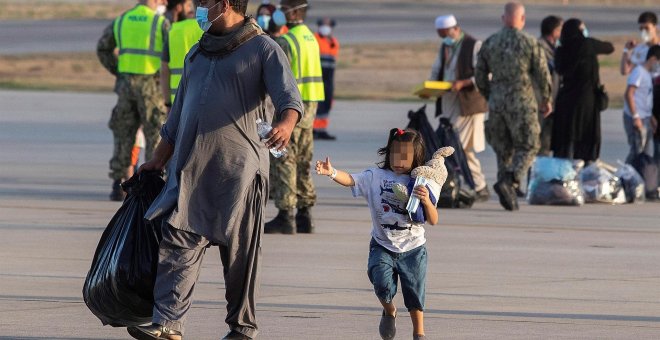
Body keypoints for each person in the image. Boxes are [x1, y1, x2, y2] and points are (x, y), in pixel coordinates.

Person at [125, 0, 303, 338]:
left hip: (238, 173)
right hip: (190, 169)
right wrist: (158, 159)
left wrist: (286, 125)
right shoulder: (197, 53)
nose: (198, 9)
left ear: (223, 4)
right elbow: (177, 116)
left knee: (240, 257)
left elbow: (289, 99)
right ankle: (167, 324)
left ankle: (241, 327)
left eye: (205, 2)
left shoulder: (263, 48)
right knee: (177, 243)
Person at [314, 128, 440, 340]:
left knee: (414, 291)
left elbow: (434, 220)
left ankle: (419, 332)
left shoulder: (422, 183)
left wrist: (426, 200)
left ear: (416, 157)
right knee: (380, 283)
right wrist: (332, 172)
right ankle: (389, 310)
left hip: (413, 248)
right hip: (382, 245)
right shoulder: (375, 177)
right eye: (394, 154)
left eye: (405, 156)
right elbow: (352, 179)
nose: (398, 160)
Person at [475, 2, 552, 211]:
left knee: (503, 149)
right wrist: (546, 99)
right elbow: (542, 74)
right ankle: (510, 180)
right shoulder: (529, 43)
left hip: (497, 102)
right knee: (530, 145)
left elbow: (479, 75)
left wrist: (490, 95)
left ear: (503, 19)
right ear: (523, 19)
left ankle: (507, 195)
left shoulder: (490, 43)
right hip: (522, 101)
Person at [97, 0, 170, 201]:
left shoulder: (122, 20)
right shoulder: (160, 22)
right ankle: (152, 182)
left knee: (124, 133)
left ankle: (119, 183)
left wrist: (118, 70)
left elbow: (103, 48)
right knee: (155, 133)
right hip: (151, 86)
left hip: (126, 84)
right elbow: (169, 55)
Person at [265, 0, 324, 234]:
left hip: (291, 107)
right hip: (310, 106)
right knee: (303, 159)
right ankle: (305, 213)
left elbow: (279, 78)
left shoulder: (286, 41)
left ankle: (285, 214)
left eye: (284, 8)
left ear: (295, 11)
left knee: (285, 158)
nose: (280, 12)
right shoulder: (310, 38)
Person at [427, 14, 489, 202]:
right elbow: (437, 70)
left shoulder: (474, 45)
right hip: (449, 100)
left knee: (454, 146)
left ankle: (466, 185)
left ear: (454, 29)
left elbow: (485, 74)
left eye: (444, 33)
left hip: (468, 103)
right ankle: (479, 186)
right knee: (461, 147)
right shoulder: (445, 45)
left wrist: (463, 83)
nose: (442, 37)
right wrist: (429, 88)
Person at [550, 19, 614, 164]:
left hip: (565, 100)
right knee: (585, 142)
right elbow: (609, 48)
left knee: (565, 143)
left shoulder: (560, 50)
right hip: (586, 101)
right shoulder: (587, 45)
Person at [623, 45, 660, 199]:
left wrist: (650, 117)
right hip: (635, 118)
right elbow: (629, 94)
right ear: (652, 59)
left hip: (645, 117)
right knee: (636, 152)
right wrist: (636, 116)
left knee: (644, 153)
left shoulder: (647, 75)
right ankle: (626, 181)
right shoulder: (639, 72)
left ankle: (640, 183)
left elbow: (645, 98)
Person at [160, 0, 202, 106]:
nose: (191, 9)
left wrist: (167, 103)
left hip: (178, 102)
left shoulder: (172, 31)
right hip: (202, 99)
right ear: (179, 8)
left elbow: (164, 70)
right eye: (188, 5)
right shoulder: (203, 28)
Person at [535, 15, 563, 156]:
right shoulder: (539, 48)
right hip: (541, 104)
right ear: (554, 31)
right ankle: (538, 176)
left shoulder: (555, 49)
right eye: (561, 29)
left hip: (551, 103)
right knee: (540, 146)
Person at [313, 17, 340, 140]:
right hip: (317, 75)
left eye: (328, 25)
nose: (325, 27)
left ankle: (321, 129)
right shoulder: (314, 39)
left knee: (327, 103)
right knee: (317, 104)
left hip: (329, 77)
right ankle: (313, 129)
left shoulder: (334, 42)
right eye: (323, 24)